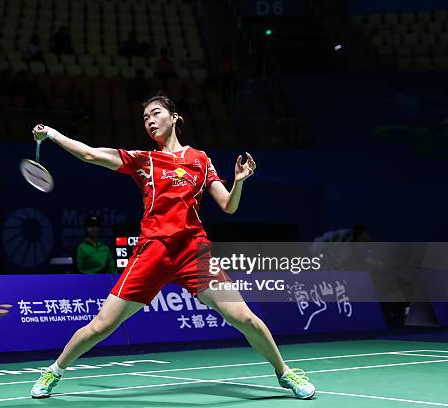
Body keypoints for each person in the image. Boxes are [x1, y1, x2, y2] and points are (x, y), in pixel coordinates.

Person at [29, 95, 315, 400]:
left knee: (243, 318)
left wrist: (239, 182)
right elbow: (90, 155)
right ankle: (54, 370)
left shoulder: (201, 160)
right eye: (145, 118)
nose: (150, 121)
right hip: (153, 251)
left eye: (156, 113)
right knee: (102, 325)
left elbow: (228, 206)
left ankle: (285, 373)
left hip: (193, 250)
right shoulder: (145, 161)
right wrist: (54, 135)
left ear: (175, 117)